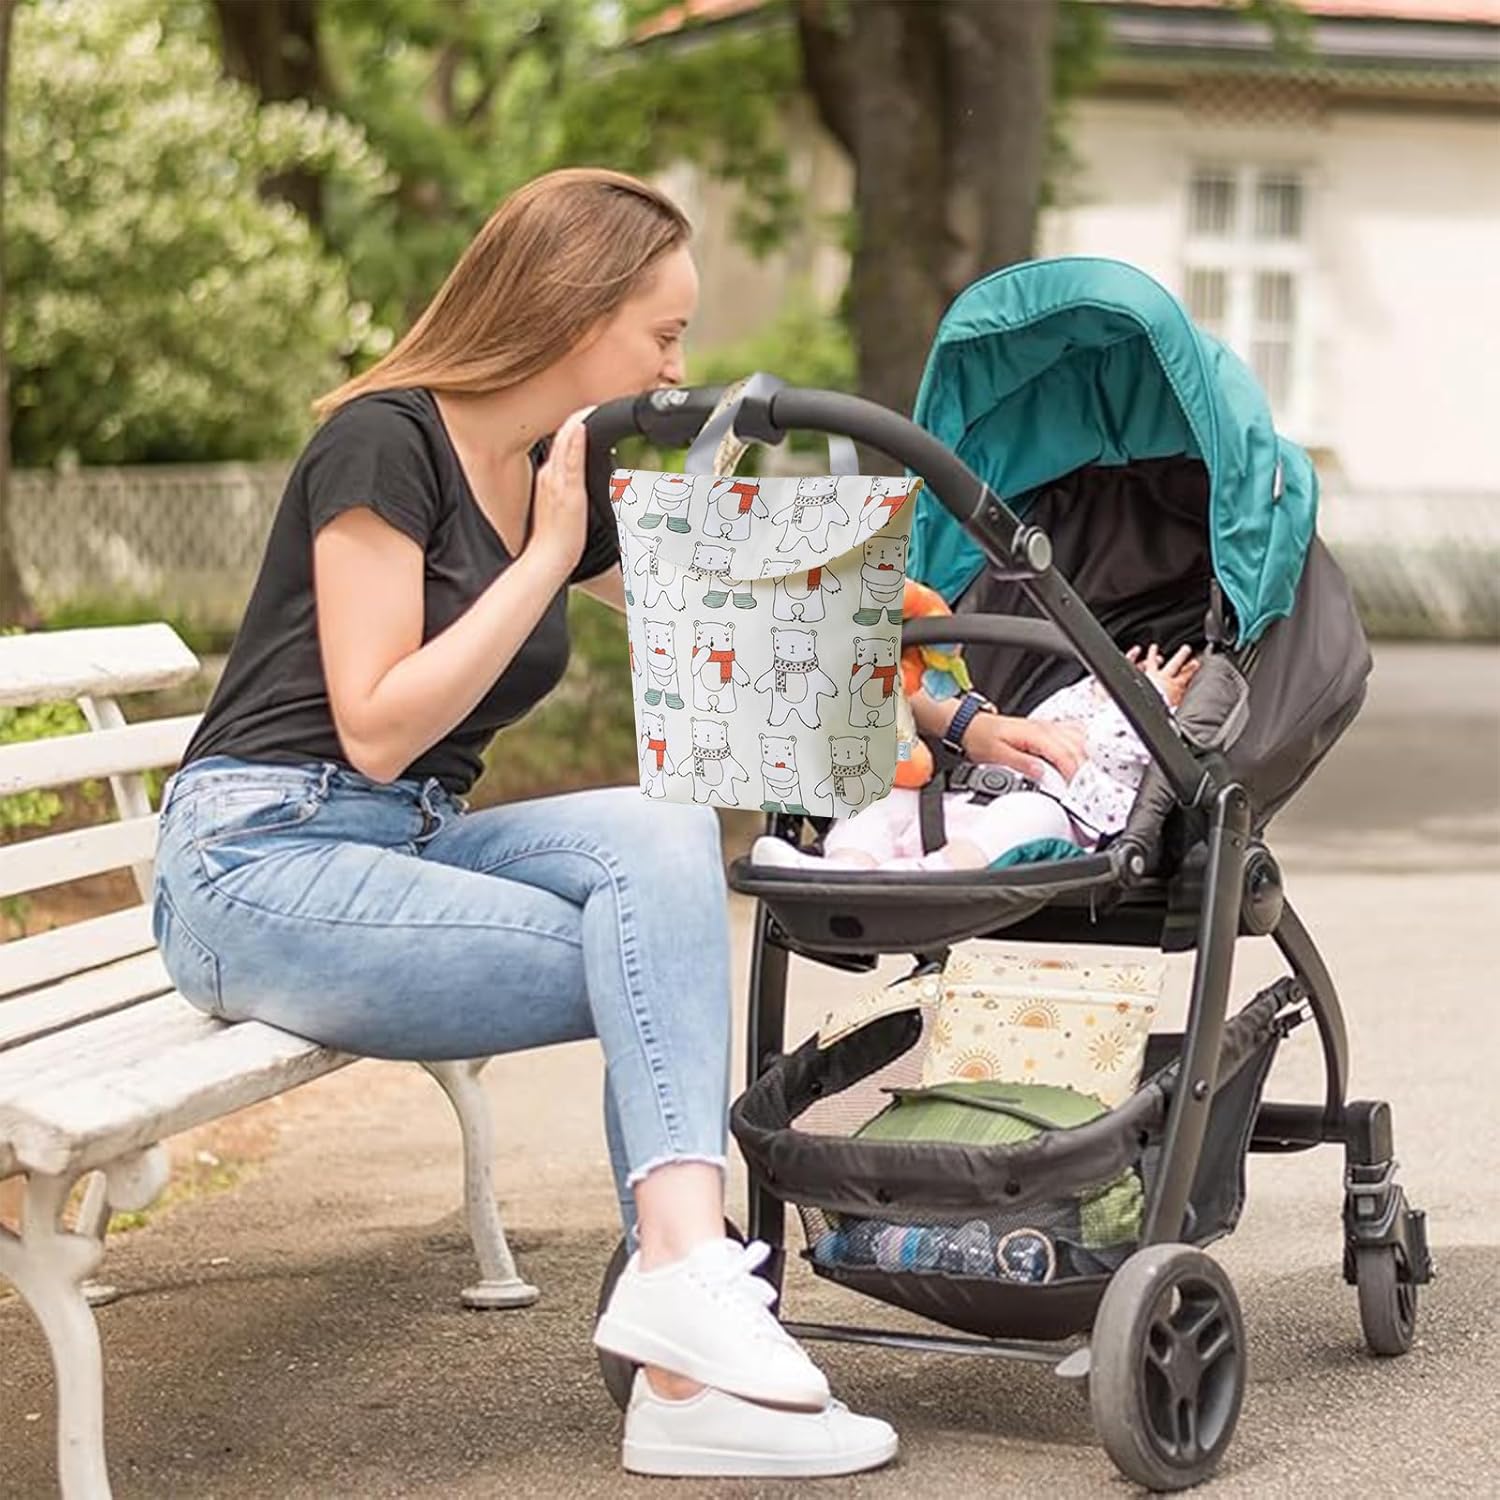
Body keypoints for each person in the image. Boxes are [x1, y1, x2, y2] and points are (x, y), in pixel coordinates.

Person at [151, 168, 1082, 1478]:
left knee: (664, 837)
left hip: (401, 842)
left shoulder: (549, 466)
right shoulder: (384, 442)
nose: (676, 366)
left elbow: (744, 624)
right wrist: (542, 556)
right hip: (257, 862)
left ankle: (682, 1296)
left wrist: (959, 721)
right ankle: (686, 1343)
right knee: (654, 959)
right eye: (664, 333)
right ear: (573, 309)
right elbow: (374, 725)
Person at [753, 645, 1199, 872]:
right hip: (960, 802)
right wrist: (1097, 687)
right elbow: (1041, 720)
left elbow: (1116, 744)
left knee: (1029, 813)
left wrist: (1153, 698)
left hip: (1050, 819)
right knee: (883, 796)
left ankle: (929, 874)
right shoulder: (1070, 713)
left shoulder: (1138, 749)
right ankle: (845, 866)